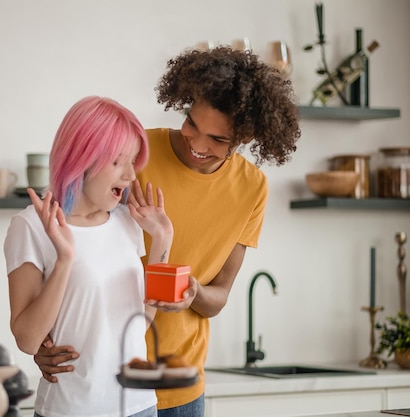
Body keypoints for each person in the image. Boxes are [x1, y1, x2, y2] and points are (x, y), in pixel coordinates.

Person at [33, 46, 301, 417]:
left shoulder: (252, 188)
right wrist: (40, 342)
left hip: (181, 384)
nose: (198, 144)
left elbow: (220, 295)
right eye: (192, 123)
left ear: (247, 136)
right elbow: (65, 237)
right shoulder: (136, 152)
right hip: (102, 380)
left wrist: (192, 293)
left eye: (218, 140)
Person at [4, 95, 175, 417]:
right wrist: (65, 259)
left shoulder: (127, 223)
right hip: (71, 409)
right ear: (82, 159)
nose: (130, 175)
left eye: (133, 162)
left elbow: (139, 322)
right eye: (117, 162)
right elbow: (27, 340)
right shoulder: (31, 225)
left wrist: (162, 241)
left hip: (140, 406)